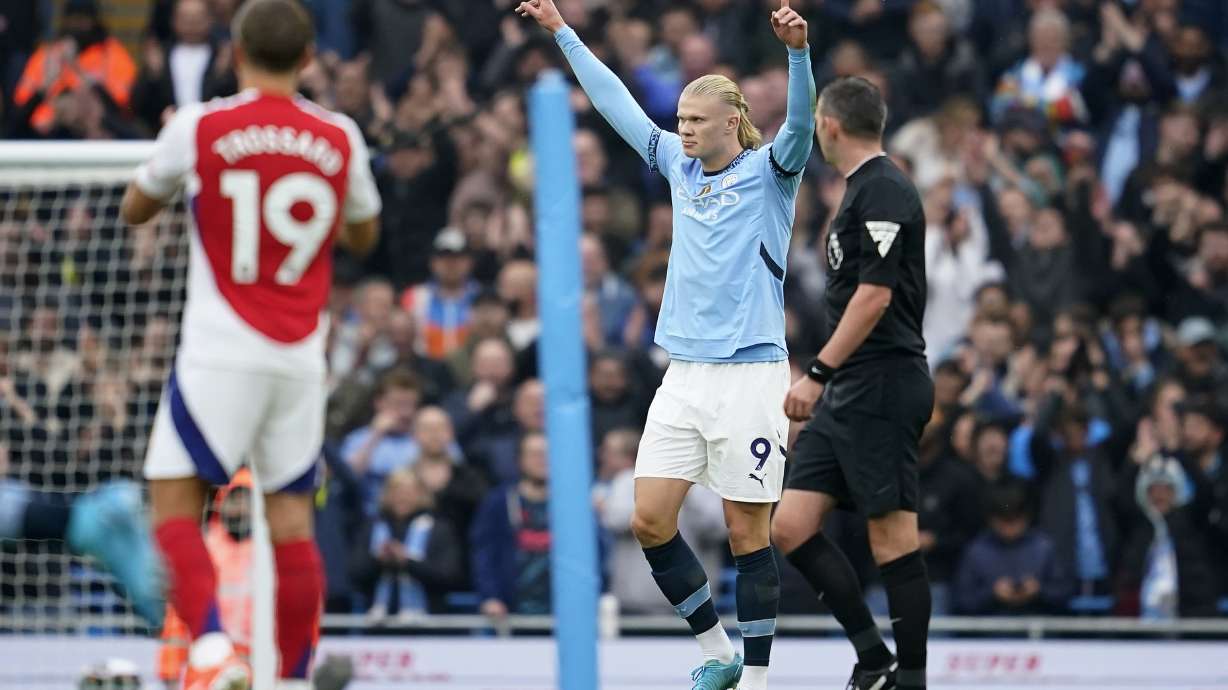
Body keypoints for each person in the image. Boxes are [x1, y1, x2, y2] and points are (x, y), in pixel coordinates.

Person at [517, 1, 815, 687]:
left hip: (749, 375)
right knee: (648, 517)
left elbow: (800, 124)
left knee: (747, 534)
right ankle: (718, 654)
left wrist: (798, 53)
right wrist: (563, 32)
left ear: (731, 122)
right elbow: (615, 103)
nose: (681, 132)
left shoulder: (773, 172)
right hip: (684, 373)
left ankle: (761, 681)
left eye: (694, 122)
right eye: (679, 120)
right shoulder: (678, 169)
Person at [118, 0, 382, 688]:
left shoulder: (200, 126)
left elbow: (135, 207)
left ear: (233, 54)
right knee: (292, 522)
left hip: (220, 349)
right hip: (299, 356)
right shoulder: (341, 136)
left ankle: (209, 650)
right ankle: (291, 678)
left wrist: (183, 174)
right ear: (308, 59)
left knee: (173, 500)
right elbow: (364, 234)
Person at [773, 77, 933, 690]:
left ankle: (912, 679)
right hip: (850, 389)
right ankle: (873, 658)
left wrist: (816, 373)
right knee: (790, 526)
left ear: (829, 125)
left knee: (892, 535)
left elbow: (874, 296)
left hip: (883, 382)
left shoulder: (886, 188)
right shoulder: (860, 191)